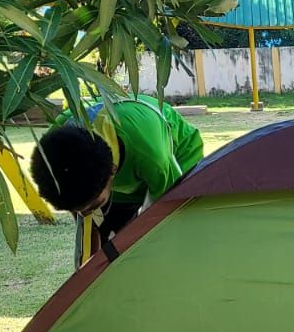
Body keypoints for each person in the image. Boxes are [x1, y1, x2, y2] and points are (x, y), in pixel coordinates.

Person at [30, 96, 206, 242]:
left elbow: (167, 210)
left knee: (155, 238)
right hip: (118, 173)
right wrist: (90, 234)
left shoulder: (151, 154)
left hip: (177, 157)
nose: (85, 213)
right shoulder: (56, 144)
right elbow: (82, 209)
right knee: (108, 240)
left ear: (113, 171)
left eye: (93, 205)